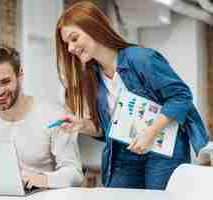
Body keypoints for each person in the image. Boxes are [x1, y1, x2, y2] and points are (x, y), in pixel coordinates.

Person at [55, 1, 209, 190]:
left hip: (162, 150)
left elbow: (181, 96)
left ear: (94, 28)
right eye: (67, 44)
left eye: (74, 38)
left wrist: (150, 133)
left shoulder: (141, 59)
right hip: (123, 153)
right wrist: (84, 126)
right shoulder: (93, 77)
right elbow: (111, 129)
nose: (70, 48)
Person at [0, 44, 83, 189]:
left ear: (20, 75)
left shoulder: (53, 114)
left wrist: (42, 179)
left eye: (5, 82)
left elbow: (74, 173)